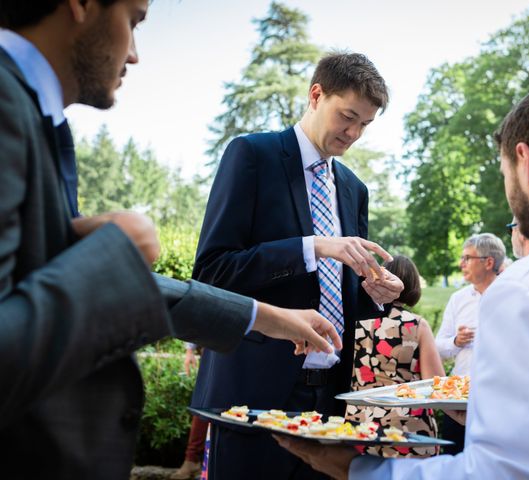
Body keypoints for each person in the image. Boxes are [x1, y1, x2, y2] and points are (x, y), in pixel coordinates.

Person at [0, 1, 343, 478]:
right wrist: (110, 260)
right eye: (134, 20)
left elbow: (39, 281)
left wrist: (265, 317)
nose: (136, 54)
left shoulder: (31, 112)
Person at [277, 79, 529, 479]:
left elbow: (501, 472)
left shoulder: (522, 291)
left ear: (525, 161)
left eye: (504, 171)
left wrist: (363, 470)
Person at [190, 51, 404, 479]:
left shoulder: (353, 189)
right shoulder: (252, 155)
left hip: (332, 402)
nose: (354, 133)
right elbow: (212, 272)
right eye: (348, 116)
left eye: (365, 124)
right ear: (316, 94)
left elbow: (346, 298)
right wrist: (312, 247)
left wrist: (375, 293)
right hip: (253, 396)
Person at [345, 255, 445, 458]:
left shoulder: (353, 321)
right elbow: (436, 384)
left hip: (358, 423)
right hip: (407, 428)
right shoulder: (416, 325)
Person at [434, 233, 505, 454]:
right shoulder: (459, 299)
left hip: (499, 400)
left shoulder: (511, 295)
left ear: (488, 262)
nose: (461, 263)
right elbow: (438, 348)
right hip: (460, 401)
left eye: (467, 258)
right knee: (454, 460)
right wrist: (456, 341)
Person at [171, 344, 209, 480]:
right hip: (215, 348)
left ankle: (196, 461)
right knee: (204, 402)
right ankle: (192, 459)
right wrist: (189, 350)